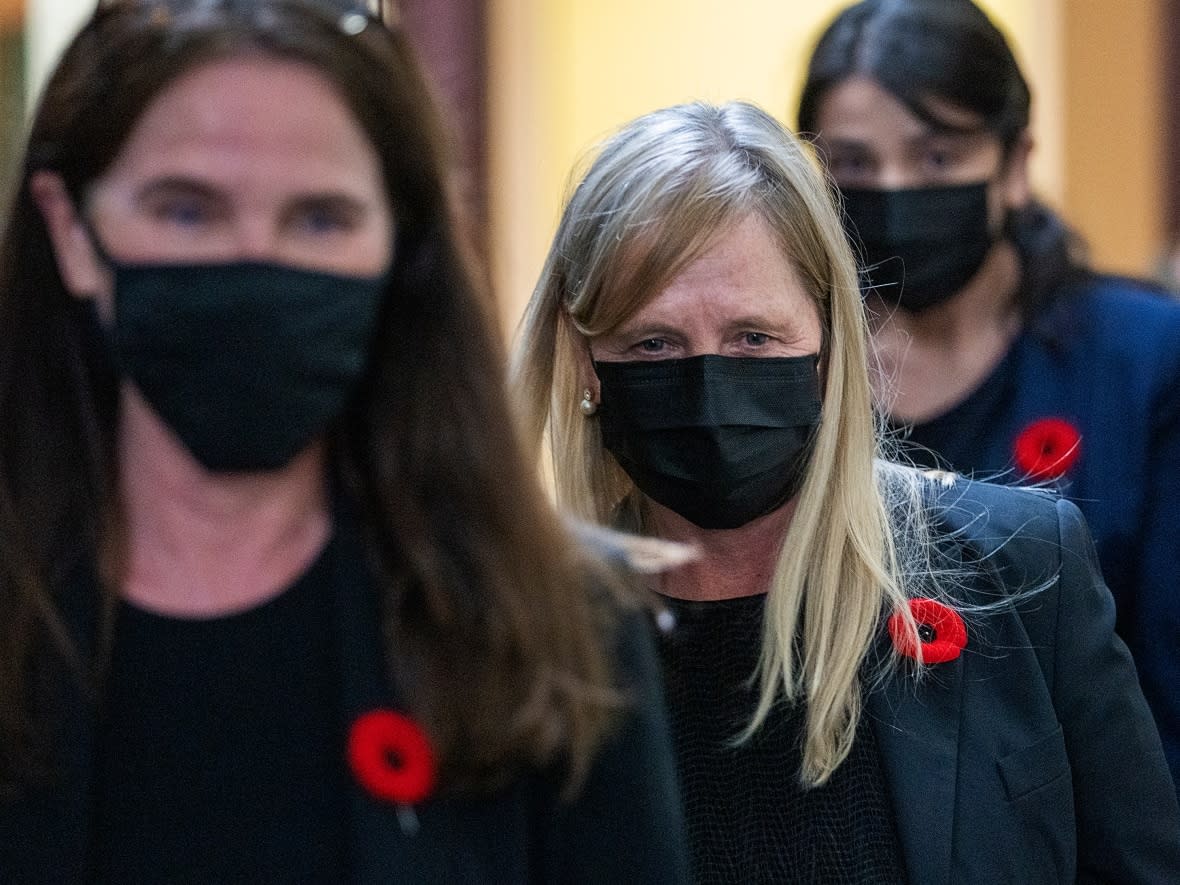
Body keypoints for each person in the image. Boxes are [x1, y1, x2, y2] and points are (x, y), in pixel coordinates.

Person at [0, 1, 690, 881]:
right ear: (71, 230)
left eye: (321, 219)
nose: (254, 258)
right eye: (185, 211)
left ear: (398, 246)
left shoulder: (561, 631)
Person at [512, 98, 1180, 883]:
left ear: (830, 342)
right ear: (589, 365)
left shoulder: (1022, 570)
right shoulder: (519, 642)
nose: (705, 385)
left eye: (752, 337)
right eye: (653, 343)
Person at [796, 0, 1180, 795]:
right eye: (857, 166)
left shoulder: (1146, 360)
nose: (896, 190)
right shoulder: (790, 370)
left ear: (1014, 165)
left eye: (938, 159)